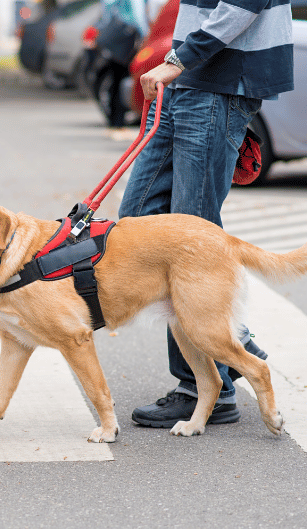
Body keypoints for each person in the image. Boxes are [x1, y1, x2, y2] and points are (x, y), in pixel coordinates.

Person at [118, 0, 293, 427]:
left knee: (188, 243)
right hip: (186, 83)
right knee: (134, 225)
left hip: (219, 85)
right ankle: (237, 345)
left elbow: (241, 7)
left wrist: (177, 60)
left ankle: (205, 390)